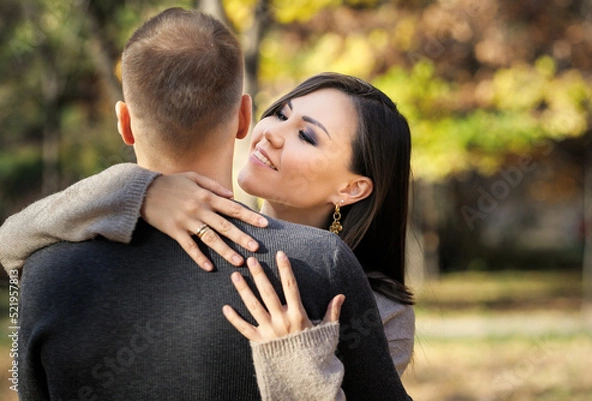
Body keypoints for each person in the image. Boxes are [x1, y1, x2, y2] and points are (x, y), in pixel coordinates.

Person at [6, 8, 412, 401]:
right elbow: (8, 239)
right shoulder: (157, 215)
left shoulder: (362, 293)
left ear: (352, 189)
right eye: (281, 113)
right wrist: (138, 189)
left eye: (307, 137)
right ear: (244, 116)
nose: (272, 133)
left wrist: (300, 371)